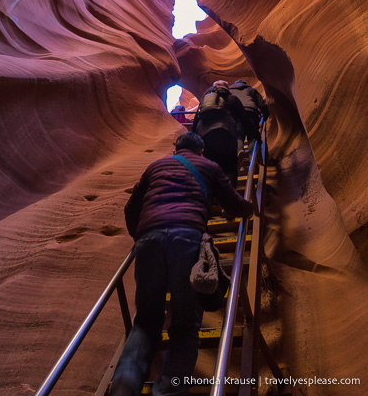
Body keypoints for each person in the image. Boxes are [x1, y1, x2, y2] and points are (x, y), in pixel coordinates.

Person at [110, 132, 252, 396]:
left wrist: (140, 236)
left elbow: (131, 208)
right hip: (187, 239)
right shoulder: (209, 166)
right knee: (185, 324)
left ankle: (124, 385)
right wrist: (250, 208)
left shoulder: (156, 166)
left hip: (149, 242)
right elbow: (233, 204)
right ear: (201, 150)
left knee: (146, 322)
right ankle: (168, 392)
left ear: (176, 149)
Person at [192, 80, 255, 186]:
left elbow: (196, 121)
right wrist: (254, 135)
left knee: (210, 168)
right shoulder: (232, 98)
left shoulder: (205, 100)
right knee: (230, 168)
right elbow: (244, 119)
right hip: (226, 134)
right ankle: (229, 199)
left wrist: (194, 139)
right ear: (227, 88)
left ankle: (212, 199)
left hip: (205, 137)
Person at [229, 79, 269, 149]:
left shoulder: (230, 90)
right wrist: (265, 115)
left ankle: (239, 153)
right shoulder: (251, 89)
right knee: (252, 135)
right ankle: (252, 155)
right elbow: (261, 104)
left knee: (239, 135)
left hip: (237, 113)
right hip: (251, 111)